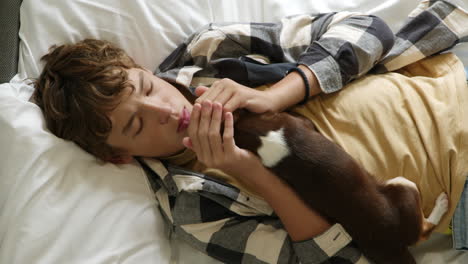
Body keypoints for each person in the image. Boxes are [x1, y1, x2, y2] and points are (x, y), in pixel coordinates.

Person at [32, 1, 468, 263]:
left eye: (147, 87)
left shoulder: (212, 55)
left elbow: (369, 31)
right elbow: (322, 258)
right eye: (136, 124)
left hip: (453, 76)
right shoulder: (193, 204)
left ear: (143, 70)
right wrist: (249, 169)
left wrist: (277, 94)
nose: (163, 109)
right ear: (118, 156)